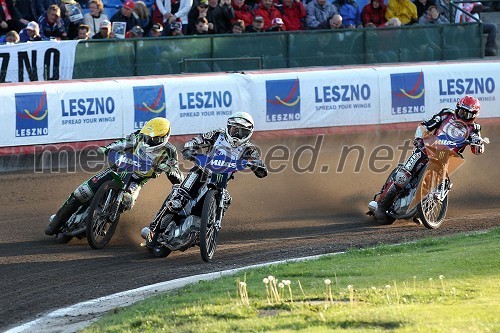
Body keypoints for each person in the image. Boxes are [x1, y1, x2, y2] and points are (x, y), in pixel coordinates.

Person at [45, 117, 184, 237]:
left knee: (127, 201)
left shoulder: (169, 151)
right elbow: (123, 143)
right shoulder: (139, 136)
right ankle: (57, 221)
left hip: (137, 180)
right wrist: (107, 148)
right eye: (147, 136)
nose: (148, 140)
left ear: (163, 138)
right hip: (117, 170)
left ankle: (104, 221)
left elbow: (177, 173)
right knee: (82, 192)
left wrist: (172, 172)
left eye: (153, 138)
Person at [143, 112, 268, 244]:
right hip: (201, 172)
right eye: (234, 129)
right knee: (179, 200)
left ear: (249, 133)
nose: (236, 134)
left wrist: (258, 167)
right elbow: (197, 141)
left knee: (226, 200)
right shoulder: (218, 134)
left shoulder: (249, 149)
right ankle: (153, 229)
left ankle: (207, 229)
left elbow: (259, 166)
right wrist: (190, 149)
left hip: (221, 181)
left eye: (241, 132)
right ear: (228, 127)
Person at [373, 96, 486, 221]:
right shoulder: (446, 114)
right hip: (429, 147)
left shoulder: (474, 129)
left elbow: (477, 151)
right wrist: (418, 138)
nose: (464, 116)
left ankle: (424, 211)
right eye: (462, 112)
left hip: (448, 157)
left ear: (474, 115)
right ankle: (381, 206)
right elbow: (425, 126)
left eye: (468, 114)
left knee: (437, 186)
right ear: (457, 108)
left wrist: (478, 143)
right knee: (403, 176)